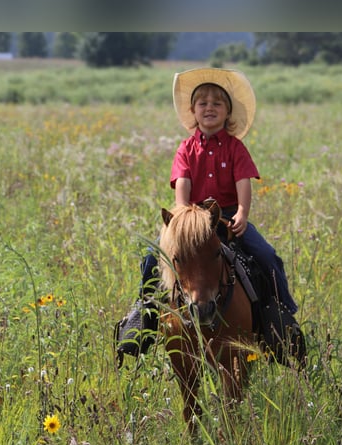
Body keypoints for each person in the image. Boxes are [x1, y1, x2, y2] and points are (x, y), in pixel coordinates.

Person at [115, 67, 298, 363]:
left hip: (226, 218)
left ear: (228, 112)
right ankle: (143, 317)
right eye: (203, 103)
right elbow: (182, 193)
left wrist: (241, 213)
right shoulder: (185, 149)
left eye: (217, 103)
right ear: (193, 111)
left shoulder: (236, 148)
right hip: (190, 218)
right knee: (151, 258)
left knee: (266, 256)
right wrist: (185, 220)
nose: (209, 108)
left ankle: (279, 318)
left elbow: (243, 186)